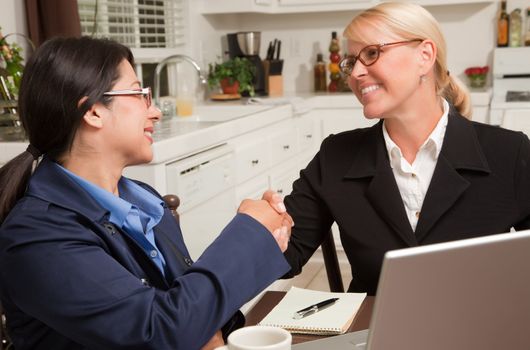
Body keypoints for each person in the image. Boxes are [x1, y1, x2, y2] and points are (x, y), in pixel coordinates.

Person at [0, 36, 293, 350]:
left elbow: (185, 310)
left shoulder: (145, 202)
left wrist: (255, 243)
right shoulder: (37, 237)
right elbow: (160, 332)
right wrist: (249, 235)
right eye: (140, 93)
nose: (155, 112)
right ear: (93, 111)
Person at [283, 2, 530, 296]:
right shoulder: (336, 157)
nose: (355, 73)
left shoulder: (510, 154)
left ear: (424, 56)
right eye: (350, 62)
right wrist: (253, 228)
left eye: (372, 53)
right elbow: (284, 251)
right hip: (373, 335)